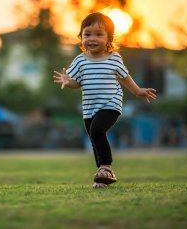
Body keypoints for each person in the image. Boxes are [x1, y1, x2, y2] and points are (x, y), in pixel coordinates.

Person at [53, 12, 157, 188]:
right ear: (81, 37)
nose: (92, 38)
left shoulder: (114, 59)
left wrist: (138, 90)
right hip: (89, 109)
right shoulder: (80, 61)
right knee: (95, 139)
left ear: (109, 38)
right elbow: (76, 82)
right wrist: (67, 81)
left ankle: (106, 167)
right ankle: (103, 178)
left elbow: (125, 77)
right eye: (87, 34)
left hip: (111, 104)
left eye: (99, 34)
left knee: (97, 130)